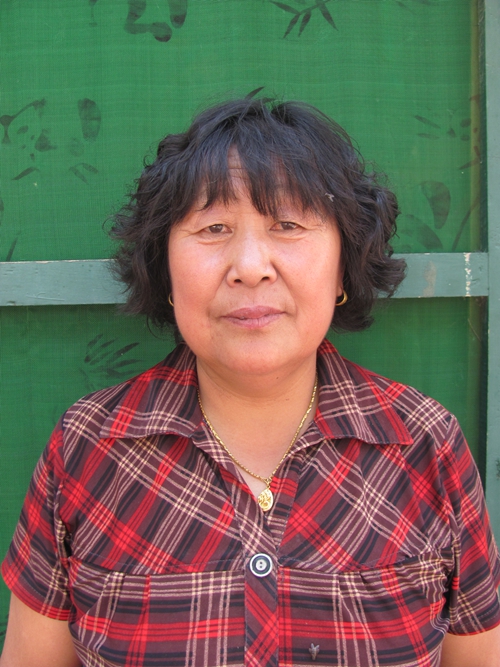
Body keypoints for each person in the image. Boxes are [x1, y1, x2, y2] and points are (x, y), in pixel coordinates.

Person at [1, 98, 499, 667]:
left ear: (344, 263)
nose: (251, 267)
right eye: (213, 228)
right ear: (165, 269)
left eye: (288, 225)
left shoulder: (425, 444)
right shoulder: (90, 447)